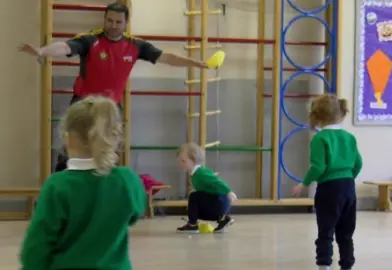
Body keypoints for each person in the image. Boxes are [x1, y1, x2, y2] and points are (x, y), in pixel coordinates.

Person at [18, 1, 210, 172]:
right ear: (104, 19)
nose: (113, 25)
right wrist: (42, 51)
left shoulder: (135, 46)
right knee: (70, 151)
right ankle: (60, 187)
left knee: (109, 153)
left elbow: (166, 57)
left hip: (111, 107)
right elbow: (66, 47)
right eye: (109, 21)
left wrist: (194, 63)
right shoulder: (91, 39)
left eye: (118, 22)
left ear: (126, 23)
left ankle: (105, 193)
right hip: (83, 104)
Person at [20, 96, 146, 270]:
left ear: (69, 138)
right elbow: (134, 215)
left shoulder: (58, 185)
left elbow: (37, 245)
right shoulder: (127, 179)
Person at [292, 94, 363, 270]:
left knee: (326, 230)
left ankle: (324, 264)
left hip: (329, 189)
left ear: (315, 117)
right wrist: (347, 177)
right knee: (346, 232)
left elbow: (318, 167)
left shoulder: (320, 138)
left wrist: (304, 183)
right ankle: (347, 264)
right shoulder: (349, 137)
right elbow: (358, 163)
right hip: (348, 187)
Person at [176, 142, 237, 233]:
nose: (181, 164)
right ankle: (222, 219)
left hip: (219, 203)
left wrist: (228, 191)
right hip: (218, 204)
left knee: (194, 196)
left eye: (183, 161)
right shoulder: (195, 174)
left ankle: (192, 225)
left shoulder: (200, 173)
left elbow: (217, 181)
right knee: (194, 203)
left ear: (193, 160)